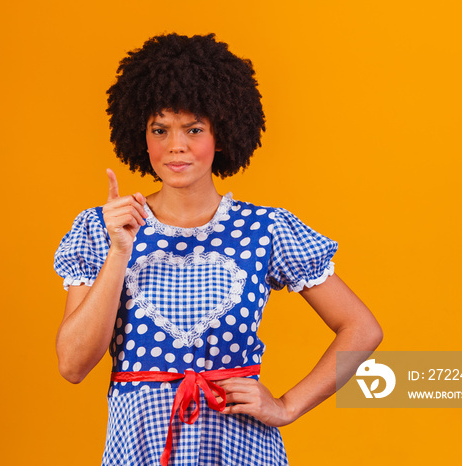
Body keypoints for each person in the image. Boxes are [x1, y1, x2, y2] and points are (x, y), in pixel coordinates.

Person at [53, 33, 383, 466]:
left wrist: (286, 406)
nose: (176, 146)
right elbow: (73, 366)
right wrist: (119, 252)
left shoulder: (266, 229)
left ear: (221, 135)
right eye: (160, 129)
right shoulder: (103, 229)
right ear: (142, 135)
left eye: (194, 129)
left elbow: (362, 329)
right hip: (141, 448)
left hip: (242, 449)